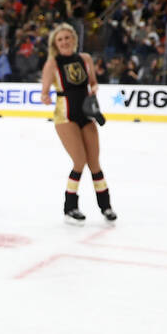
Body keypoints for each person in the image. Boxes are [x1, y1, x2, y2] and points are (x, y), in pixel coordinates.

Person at [40, 23, 116, 224]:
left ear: (74, 39)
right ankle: (70, 207)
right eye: (60, 39)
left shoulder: (85, 59)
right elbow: (44, 91)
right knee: (79, 161)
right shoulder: (52, 64)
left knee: (95, 163)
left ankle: (106, 207)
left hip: (86, 114)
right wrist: (45, 97)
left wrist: (95, 88)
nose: (64, 42)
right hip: (65, 117)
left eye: (67, 38)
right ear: (55, 44)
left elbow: (92, 82)